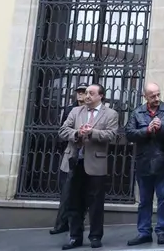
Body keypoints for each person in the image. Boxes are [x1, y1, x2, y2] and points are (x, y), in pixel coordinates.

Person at [58, 84, 119, 250]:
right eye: (86, 93)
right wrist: (77, 133)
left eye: (91, 93)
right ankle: (75, 237)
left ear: (101, 96)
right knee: (74, 201)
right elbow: (63, 130)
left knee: (95, 203)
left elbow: (112, 135)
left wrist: (92, 132)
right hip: (75, 162)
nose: (87, 96)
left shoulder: (110, 114)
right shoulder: (75, 111)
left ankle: (95, 236)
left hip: (96, 164)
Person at [124, 82, 164, 246]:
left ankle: (162, 231)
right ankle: (144, 232)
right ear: (145, 97)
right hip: (144, 162)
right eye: (152, 96)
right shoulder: (137, 112)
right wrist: (147, 131)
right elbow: (129, 133)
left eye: (158, 95)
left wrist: (162, 128)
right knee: (144, 201)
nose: (156, 98)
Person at [50, 83, 87, 236]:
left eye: (83, 92)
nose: (80, 94)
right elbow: (63, 130)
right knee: (66, 191)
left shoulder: (91, 111)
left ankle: (77, 224)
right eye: (79, 91)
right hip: (70, 152)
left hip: (87, 156)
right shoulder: (70, 110)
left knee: (82, 192)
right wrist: (75, 135)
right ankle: (61, 223)